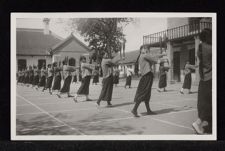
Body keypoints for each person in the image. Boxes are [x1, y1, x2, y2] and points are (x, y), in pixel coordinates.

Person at [131, 46, 167, 117]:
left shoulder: (143, 55)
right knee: (143, 93)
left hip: (147, 76)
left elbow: (153, 56)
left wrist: (162, 54)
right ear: (141, 50)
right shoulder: (144, 55)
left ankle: (148, 110)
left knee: (147, 94)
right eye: (145, 49)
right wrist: (164, 59)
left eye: (147, 49)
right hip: (147, 76)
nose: (147, 50)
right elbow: (154, 59)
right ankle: (134, 109)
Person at [192, 28, 212, 134]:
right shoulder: (211, 48)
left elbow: (199, 64)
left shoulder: (199, 48)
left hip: (203, 79)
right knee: (210, 104)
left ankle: (204, 125)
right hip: (211, 79)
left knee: (203, 104)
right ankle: (198, 123)